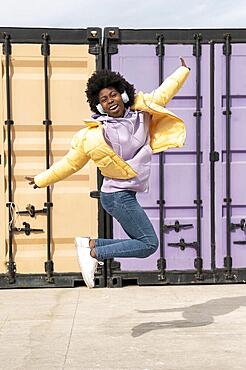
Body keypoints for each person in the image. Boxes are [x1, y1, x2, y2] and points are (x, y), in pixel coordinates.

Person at [26, 58, 190, 288]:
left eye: (112, 94)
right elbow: (71, 163)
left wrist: (183, 70)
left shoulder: (142, 112)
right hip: (115, 195)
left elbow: (165, 91)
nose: (109, 100)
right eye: (103, 99)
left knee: (144, 242)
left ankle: (89, 245)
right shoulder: (94, 135)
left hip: (127, 193)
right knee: (148, 244)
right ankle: (93, 251)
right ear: (99, 106)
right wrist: (42, 179)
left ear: (123, 94)